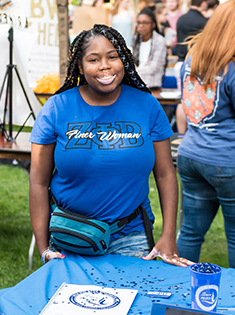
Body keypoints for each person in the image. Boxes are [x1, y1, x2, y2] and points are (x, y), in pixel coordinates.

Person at [29, 24, 192, 268]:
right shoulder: (56, 108)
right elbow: (38, 182)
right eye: (93, 59)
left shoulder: (147, 105)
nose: (105, 65)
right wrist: (43, 248)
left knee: (133, 305)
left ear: (124, 59)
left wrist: (168, 235)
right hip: (71, 234)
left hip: (131, 233)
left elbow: (166, 174)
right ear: (80, 67)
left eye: (113, 57)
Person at [176, 0, 235, 268]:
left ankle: (178, 295)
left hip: (191, 154)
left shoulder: (191, 58)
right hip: (226, 161)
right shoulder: (231, 68)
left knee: (190, 232)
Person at [132, 7, 167, 91]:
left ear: (153, 25)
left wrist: (134, 72)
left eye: (145, 23)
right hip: (136, 85)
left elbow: (153, 68)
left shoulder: (159, 41)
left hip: (152, 85)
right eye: (139, 23)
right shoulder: (136, 39)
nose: (141, 26)